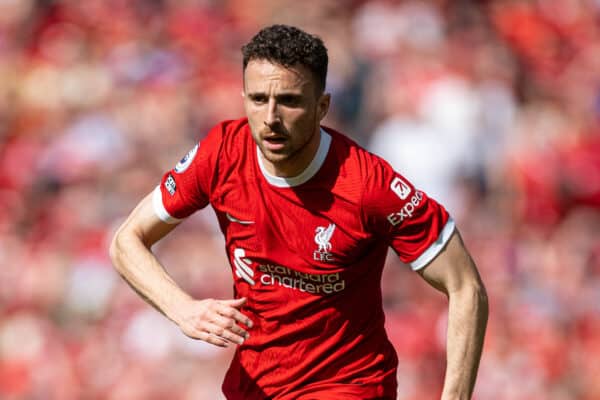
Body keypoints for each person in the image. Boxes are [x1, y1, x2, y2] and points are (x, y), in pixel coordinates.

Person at [109, 24, 488, 400]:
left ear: (322, 106)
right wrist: (183, 309)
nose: (271, 117)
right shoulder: (221, 154)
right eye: (258, 99)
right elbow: (127, 241)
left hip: (347, 386)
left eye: (289, 101)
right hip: (254, 384)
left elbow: (465, 286)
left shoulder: (368, 186)